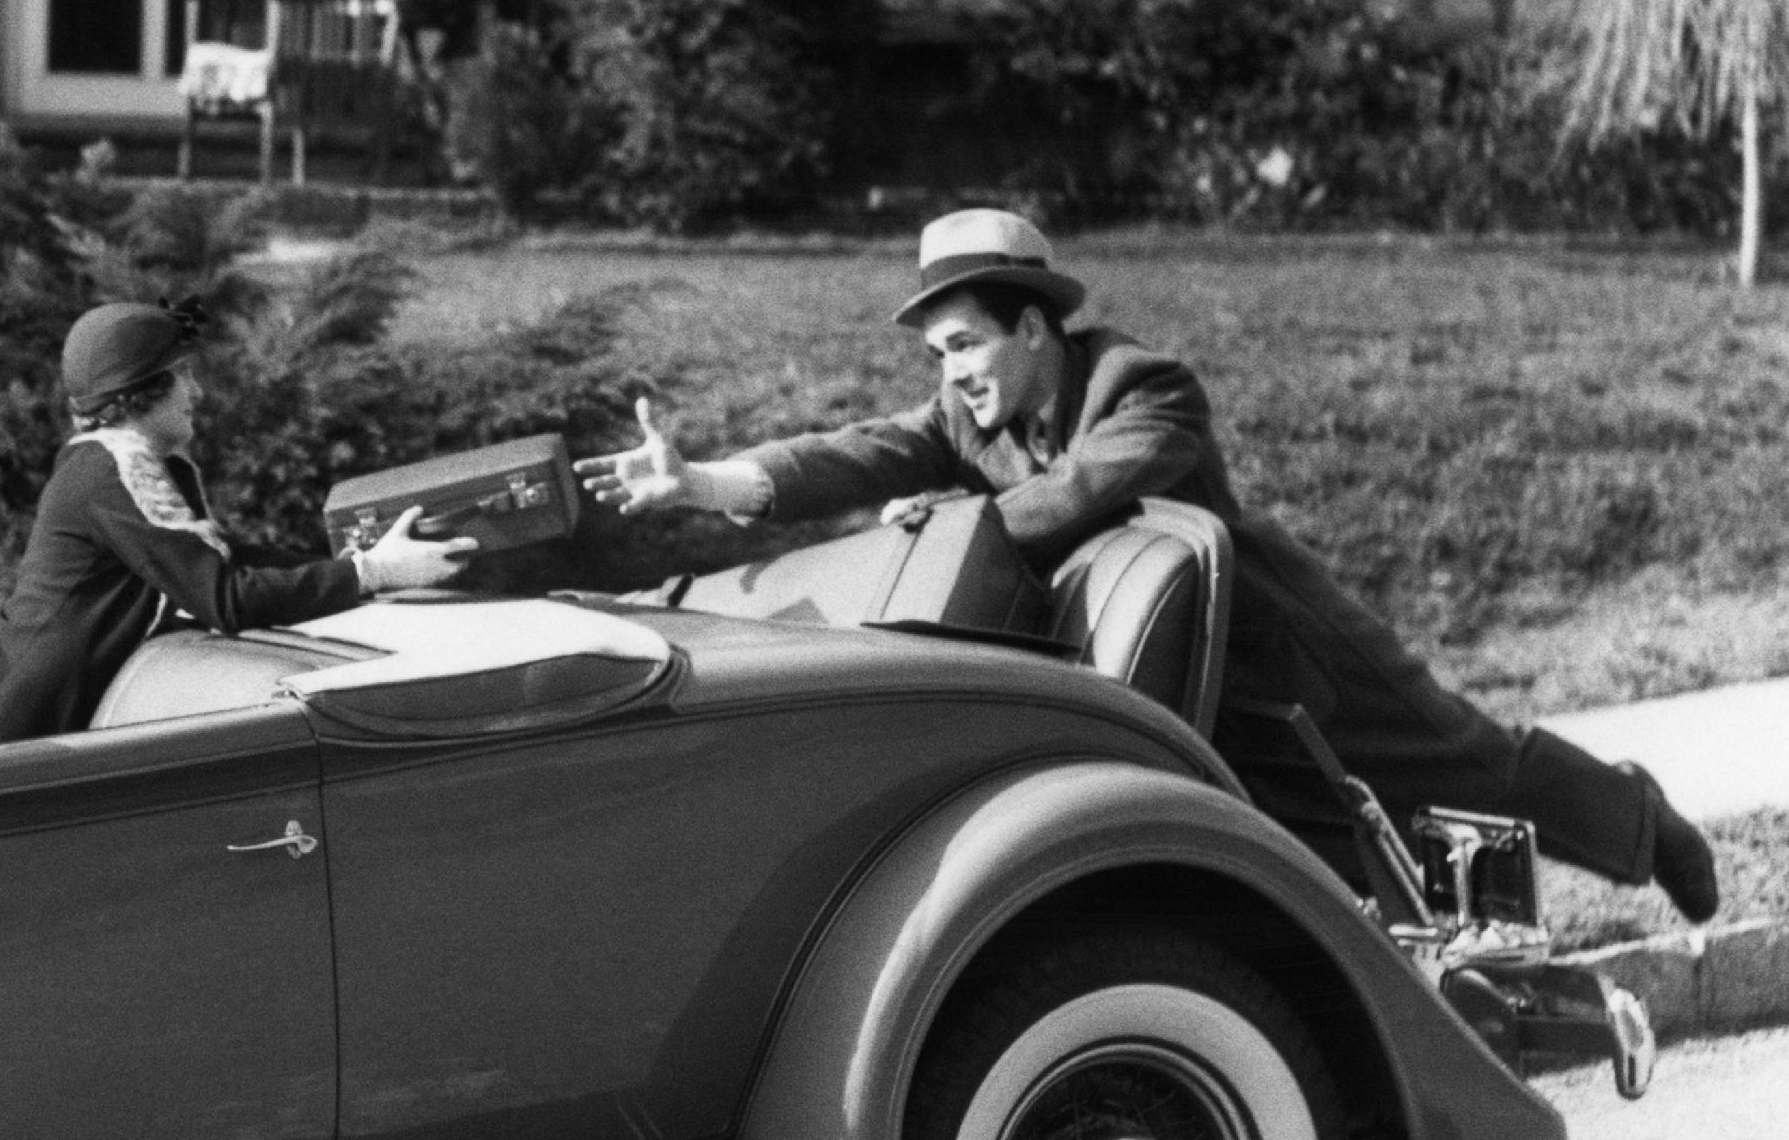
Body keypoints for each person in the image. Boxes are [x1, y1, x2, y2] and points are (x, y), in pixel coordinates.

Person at [579, 208, 1719, 921]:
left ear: (1035, 330)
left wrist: (944, 530)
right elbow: (853, 453)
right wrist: (706, 483)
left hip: (1283, 648)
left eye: (966, 343)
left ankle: (1637, 821)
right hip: (1163, 679)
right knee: (1305, 871)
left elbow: (1082, 493)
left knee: (1465, 762)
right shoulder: (964, 414)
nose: (953, 374)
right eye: (938, 355)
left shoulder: (1142, 385)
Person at [0, 299, 476, 758]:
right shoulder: (111, 473)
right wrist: (374, 573)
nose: (196, 392)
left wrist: (361, 556)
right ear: (140, 392)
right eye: (182, 376)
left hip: (24, 719)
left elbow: (227, 562)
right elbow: (225, 597)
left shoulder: (125, 465)